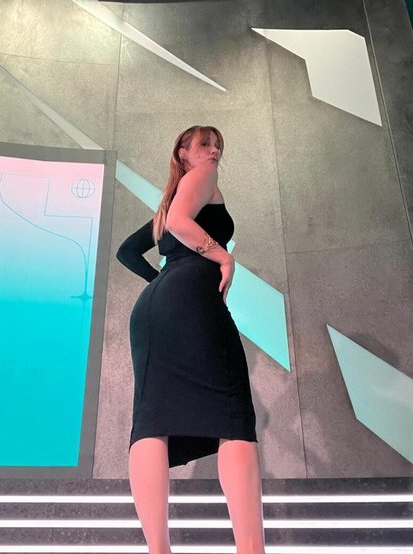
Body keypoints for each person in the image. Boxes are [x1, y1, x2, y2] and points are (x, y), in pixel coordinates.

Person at [116, 125, 265, 554]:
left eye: (218, 145)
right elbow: (182, 223)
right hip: (192, 297)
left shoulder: (167, 203)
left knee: (152, 420)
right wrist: (223, 256)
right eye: (204, 144)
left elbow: (128, 251)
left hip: (153, 309)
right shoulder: (203, 178)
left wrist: (163, 283)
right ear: (183, 153)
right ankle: (251, 549)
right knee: (233, 418)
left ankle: (158, 549)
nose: (214, 151)